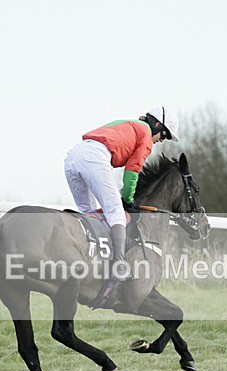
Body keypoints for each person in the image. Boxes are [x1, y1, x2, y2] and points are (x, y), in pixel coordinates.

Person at [64, 106, 179, 281]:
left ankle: (85, 258)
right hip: (94, 157)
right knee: (117, 213)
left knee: (89, 212)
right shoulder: (146, 136)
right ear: (156, 124)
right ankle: (119, 265)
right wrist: (128, 199)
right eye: (164, 134)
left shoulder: (128, 123)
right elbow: (132, 171)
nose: (162, 140)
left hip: (73, 156)